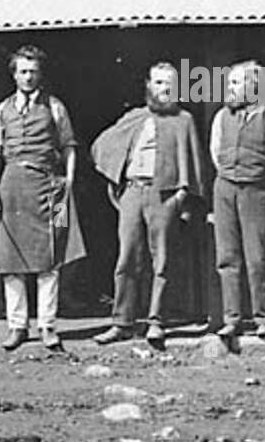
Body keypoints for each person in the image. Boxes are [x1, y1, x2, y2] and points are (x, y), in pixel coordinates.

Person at [89, 62, 208, 347]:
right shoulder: (135, 116)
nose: (163, 89)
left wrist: (182, 193)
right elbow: (104, 145)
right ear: (148, 85)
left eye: (169, 84)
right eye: (158, 83)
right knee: (127, 258)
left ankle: (157, 321)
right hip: (133, 191)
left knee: (162, 259)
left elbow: (192, 161)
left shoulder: (184, 119)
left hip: (164, 195)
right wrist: (116, 178)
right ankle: (122, 322)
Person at [0, 45, 86, 352]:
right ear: (14, 74)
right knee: (11, 261)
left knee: (50, 259)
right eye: (23, 71)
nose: (28, 77)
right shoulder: (2, 110)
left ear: (40, 74)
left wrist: (68, 180)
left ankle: (47, 325)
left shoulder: (55, 107)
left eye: (33, 72)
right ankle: (17, 327)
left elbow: (68, 145)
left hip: (49, 187)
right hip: (11, 186)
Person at [208, 60, 265, 344]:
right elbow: (215, 152)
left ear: (253, 86)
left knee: (257, 256)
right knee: (227, 256)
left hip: (257, 191)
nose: (229, 89)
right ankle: (232, 319)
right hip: (225, 189)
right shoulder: (222, 118)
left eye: (235, 83)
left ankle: (263, 319)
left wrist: (263, 180)